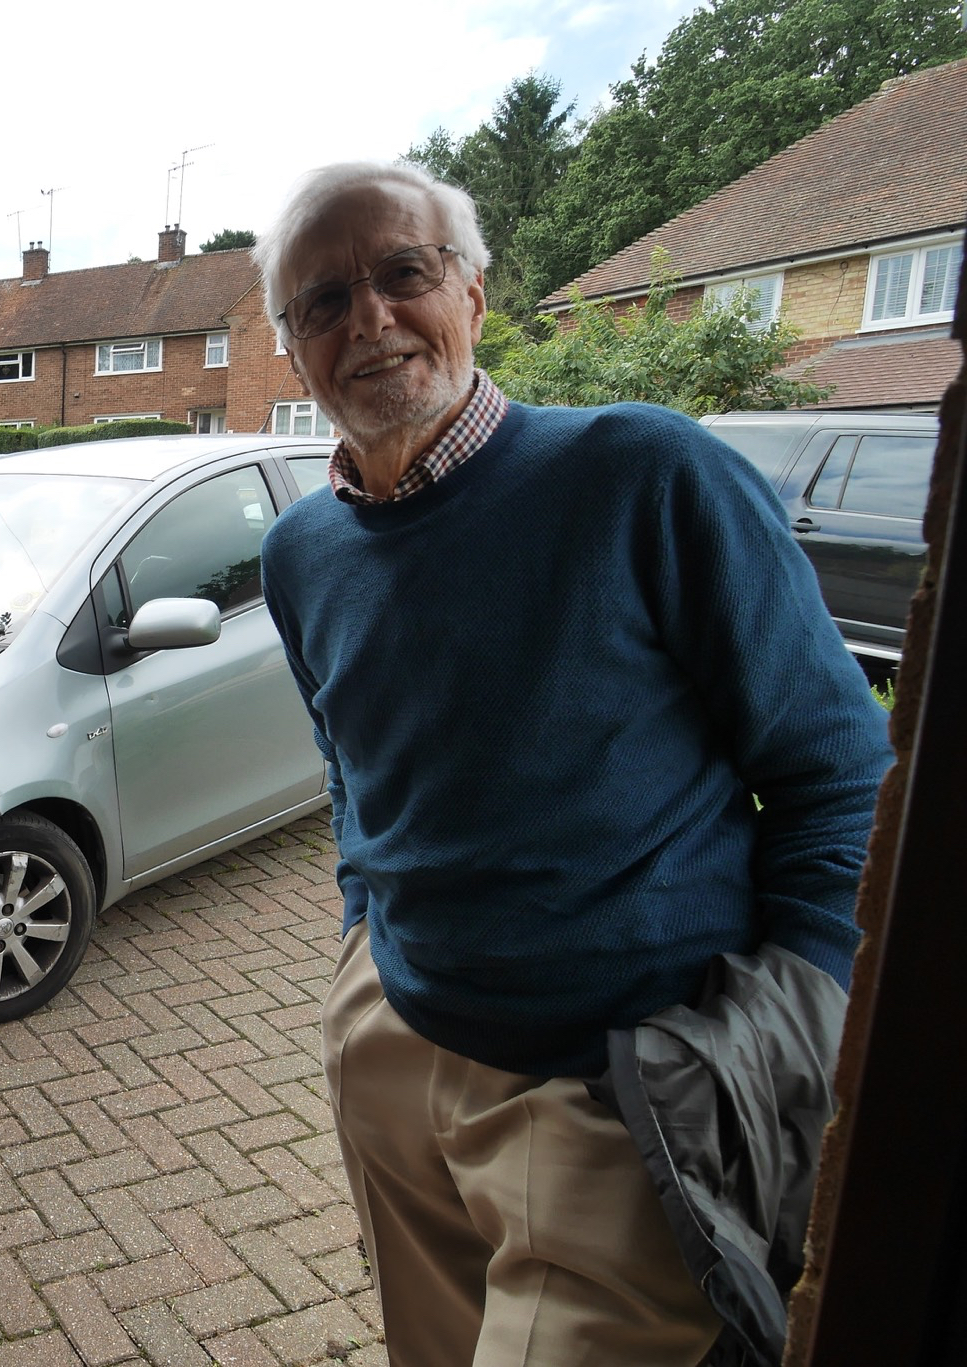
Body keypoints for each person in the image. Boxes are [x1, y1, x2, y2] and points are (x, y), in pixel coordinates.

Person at [251, 162, 890, 1366]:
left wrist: (785, 1017)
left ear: (473, 294)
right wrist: (357, 941)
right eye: (322, 301)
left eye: (402, 272)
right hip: (391, 1042)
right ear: (291, 349)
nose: (369, 319)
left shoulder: (642, 471)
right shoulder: (299, 552)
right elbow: (349, 765)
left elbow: (839, 768)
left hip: (615, 1083)